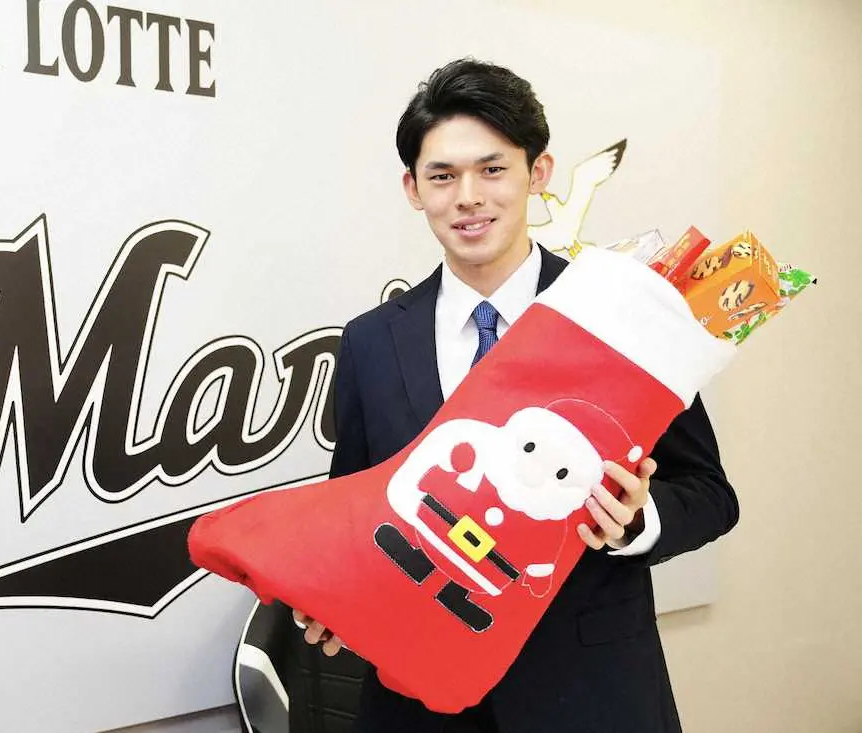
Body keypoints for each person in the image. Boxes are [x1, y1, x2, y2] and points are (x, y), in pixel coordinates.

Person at [291, 58, 738, 733]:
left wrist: (636, 519)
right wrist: (330, 593)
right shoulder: (371, 341)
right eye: (442, 176)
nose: (468, 197)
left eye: (493, 169)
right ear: (413, 189)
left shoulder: (619, 314)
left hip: (591, 695)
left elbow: (710, 494)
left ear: (539, 173)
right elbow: (357, 511)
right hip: (421, 699)